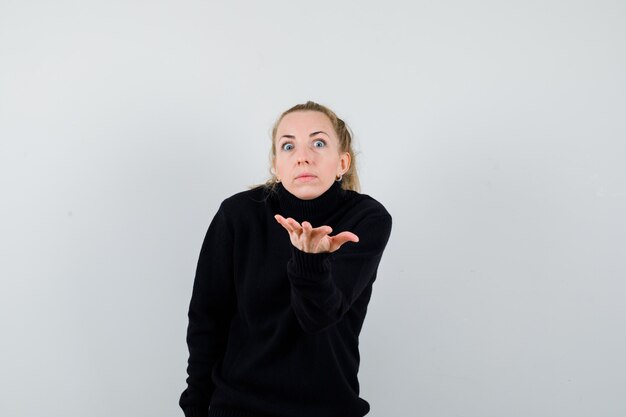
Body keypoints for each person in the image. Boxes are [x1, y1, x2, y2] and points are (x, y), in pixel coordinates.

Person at [179, 101, 392, 417]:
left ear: (342, 162)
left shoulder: (366, 219)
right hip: (238, 407)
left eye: (318, 143)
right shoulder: (238, 215)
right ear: (277, 165)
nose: (303, 156)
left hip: (327, 408)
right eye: (288, 146)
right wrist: (195, 408)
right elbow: (207, 319)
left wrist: (310, 262)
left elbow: (318, 317)